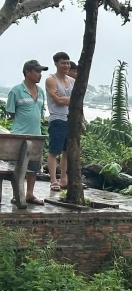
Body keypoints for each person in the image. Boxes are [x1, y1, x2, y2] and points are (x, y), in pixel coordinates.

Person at [5, 60, 47, 206]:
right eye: (37, 71)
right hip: (19, 135)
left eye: (41, 72)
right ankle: (18, 194)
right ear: (27, 72)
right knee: (17, 166)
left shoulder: (41, 92)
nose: (40, 75)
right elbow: (11, 112)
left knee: (34, 166)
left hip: (36, 134)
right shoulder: (16, 90)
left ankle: (29, 194)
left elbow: (41, 112)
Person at [44, 52, 75, 191]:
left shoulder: (72, 81)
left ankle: (64, 179)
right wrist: (71, 100)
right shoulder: (51, 79)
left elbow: (76, 101)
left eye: (68, 63)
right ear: (56, 64)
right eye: (63, 63)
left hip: (70, 120)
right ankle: (53, 180)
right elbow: (57, 100)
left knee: (67, 151)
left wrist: (66, 99)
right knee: (54, 151)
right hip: (57, 119)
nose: (66, 65)